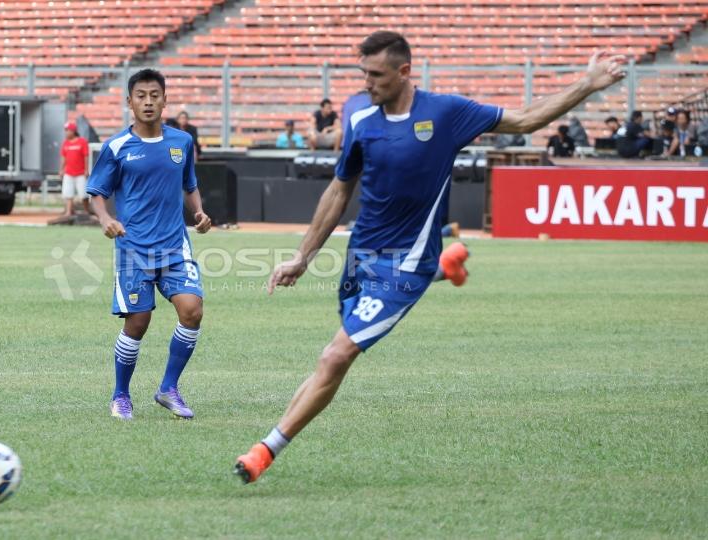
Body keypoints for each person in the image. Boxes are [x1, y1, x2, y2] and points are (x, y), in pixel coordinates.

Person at [232, 31, 626, 484]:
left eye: (376, 74)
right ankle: (448, 265)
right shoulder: (362, 120)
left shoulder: (447, 113)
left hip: (405, 264)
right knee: (340, 346)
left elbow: (523, 120)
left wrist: (587, 84)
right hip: (362, 257)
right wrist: (302, 256)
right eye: (362, 73)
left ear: (404, 72)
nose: (367, 83)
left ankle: (265, 450)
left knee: (336, 356)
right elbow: (340, 188)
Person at [86, 69, 211, 421]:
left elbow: (189, 185)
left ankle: (169, 388)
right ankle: (120, 395)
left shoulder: (181, 142)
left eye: (155, 95)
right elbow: (96, 193)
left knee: (193, 310)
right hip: (133, 250)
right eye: (141, 95)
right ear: (130, 102)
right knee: (137, 323)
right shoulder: (116, 147)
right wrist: (105, 219)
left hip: (174, 246)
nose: (148, 101)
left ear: (165, 100)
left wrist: (199, 212)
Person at [49, 122, 90, 225]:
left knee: (83, 194)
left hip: (80, 172)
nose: (66, 133)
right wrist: (61, 169)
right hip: (69, 172)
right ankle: (68, 211)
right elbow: (63, 157)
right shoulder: (66, 143)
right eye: (65, 130)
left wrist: (86, 170)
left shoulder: (82, 142)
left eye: (68, 130)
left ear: (74, 131)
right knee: (68, 193)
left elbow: (86, 156)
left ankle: (87, 211)